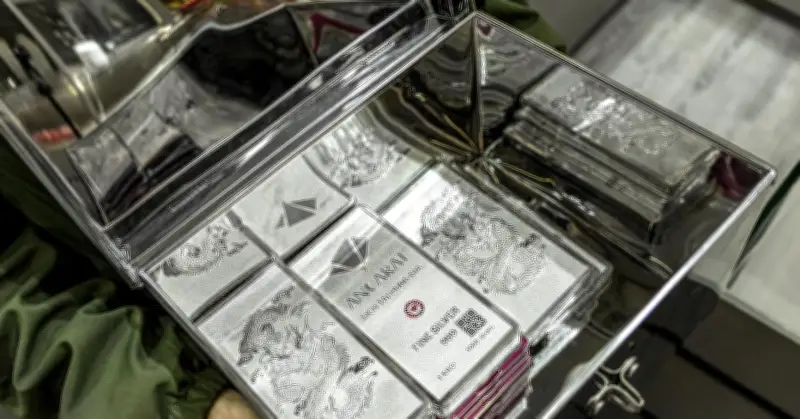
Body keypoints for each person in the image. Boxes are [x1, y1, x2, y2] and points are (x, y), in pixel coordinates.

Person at [0, 1, 563, 418]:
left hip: (472, 202)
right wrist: (185, 398)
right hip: (200, 346)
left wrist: (546, 118)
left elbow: (475, 21)